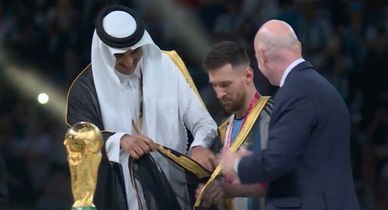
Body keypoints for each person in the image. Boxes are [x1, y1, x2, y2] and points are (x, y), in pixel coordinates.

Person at [66, 4, 217, 210]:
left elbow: (203, 122)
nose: (129, 62)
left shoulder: (167, 66)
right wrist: (120, 140)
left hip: (175, 191)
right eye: (119, 56)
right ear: (104, 52)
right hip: (121, 196)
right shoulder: (85, 89)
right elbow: (81, 140)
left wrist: (200, 145)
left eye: (135, 52)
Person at [219, 20, 361, 210]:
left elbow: (277, 161)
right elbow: (299, 157)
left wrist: (238, 164)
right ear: (298, 47)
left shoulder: (296, 92)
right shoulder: (322, 87)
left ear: (261, 55)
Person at [195, 41, 273, 210]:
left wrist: (229, 190)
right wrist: (214, 194)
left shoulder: (272, 116)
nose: (219, 94)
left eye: (225, 84)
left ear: (248, 76)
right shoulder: (226, 127)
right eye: (214, 85)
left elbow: (283, 183)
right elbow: (232, 188)